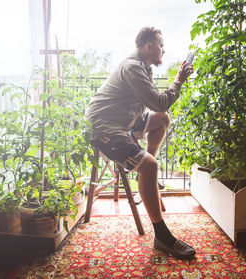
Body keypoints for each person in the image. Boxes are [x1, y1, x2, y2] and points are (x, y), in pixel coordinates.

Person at [85, 26, 195, 259]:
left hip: (125, 121)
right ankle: (162, 236)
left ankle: (145, 166)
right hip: (106, 128)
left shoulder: (142, 66)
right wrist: (178, 80)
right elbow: (160, 102)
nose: (163, 51)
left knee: (162, 120)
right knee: (150, 166)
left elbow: (159, 111)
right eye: (161, 46)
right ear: (148, 46)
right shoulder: (134, 67)